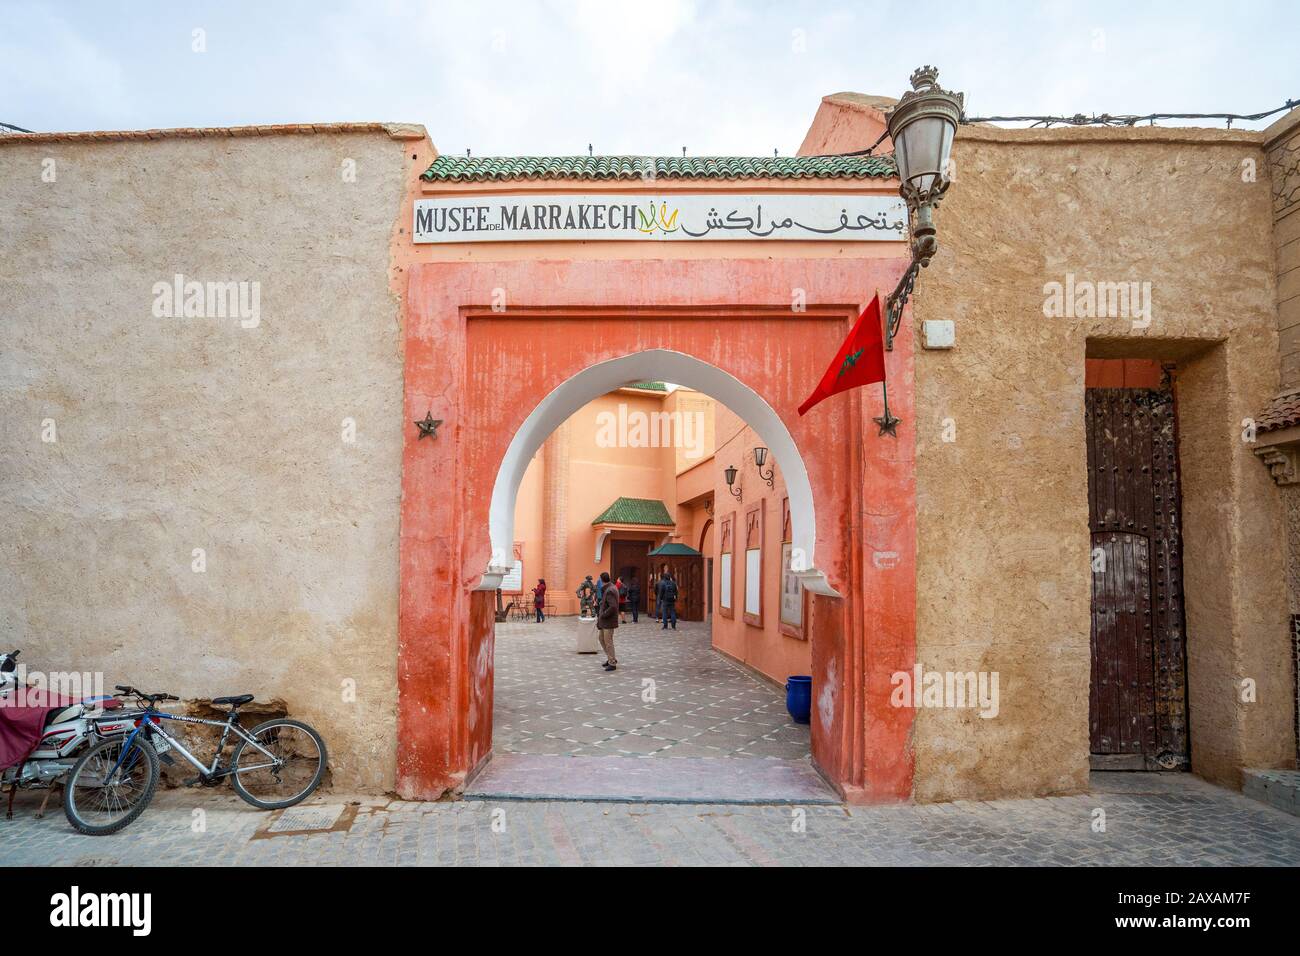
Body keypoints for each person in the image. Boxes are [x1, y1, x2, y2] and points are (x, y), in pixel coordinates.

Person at [596, 571, 619, 671]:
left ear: (601, 580)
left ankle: (612, 662)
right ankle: (610, 658)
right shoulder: (611, 587)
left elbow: (613, 607)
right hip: (605, 621)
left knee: (608, 641)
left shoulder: (609, 590)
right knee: (601, 638)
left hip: (608, 621)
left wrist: (603, 614)